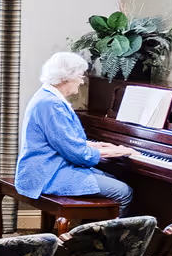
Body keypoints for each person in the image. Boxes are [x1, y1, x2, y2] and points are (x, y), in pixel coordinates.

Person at [14, 51, 134, 207]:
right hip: (48, 173)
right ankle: (110, 232)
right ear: (66, 78)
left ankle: (98, 229)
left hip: (52, 167)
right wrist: (120, 151)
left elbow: (65, 140)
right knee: (123, 192)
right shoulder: (52, 105)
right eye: (80, 76)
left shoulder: (47, 96)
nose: (82, 82)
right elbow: (77, 152)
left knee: (113, 179)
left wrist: (98, 145)